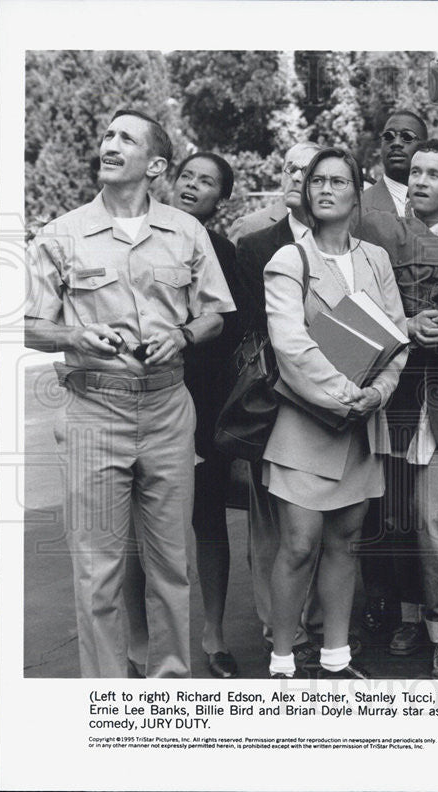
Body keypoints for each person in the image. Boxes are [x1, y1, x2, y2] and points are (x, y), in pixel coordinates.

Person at [24, 110, 235, 677]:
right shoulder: (60, 234)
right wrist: (73, 333)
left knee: (170, 567)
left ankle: (168, 693)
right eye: (108, 135)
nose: (109, 144)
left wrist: (184, 333)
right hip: (95, 410)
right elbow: (25, 324)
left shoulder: (187, 232)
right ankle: (107, 699)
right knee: (98, 572)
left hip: (169, 410)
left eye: (126, 138)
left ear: (157, 165)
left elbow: (216, 313)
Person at [263, 147, 407, 679]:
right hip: (306, 425)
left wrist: (381, 391)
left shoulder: (376, 259)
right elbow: (291, 347)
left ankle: (336, 658)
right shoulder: (289, 260)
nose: (324, 189)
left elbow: (398, 336)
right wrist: (347, 395)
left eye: (337, 181)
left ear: (355, 192)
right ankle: (282, 661)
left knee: (345, 544)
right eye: (316, 181)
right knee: (299, 547)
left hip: (364, 424)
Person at [359, 140, 438, 678]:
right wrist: (401, 327)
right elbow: (348, 320)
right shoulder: (374, 240)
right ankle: (408, 616)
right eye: (414, 172)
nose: (420, 181)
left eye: (434, 173)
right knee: (393, 520)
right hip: (391, 398)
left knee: (437, 524)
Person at [235, 140, 326, 666]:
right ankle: (278, 628)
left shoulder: (347, 242)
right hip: (275, 401)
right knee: (273, 523)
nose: (296, 175)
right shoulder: (256, 245)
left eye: (308, 170)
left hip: (335, 397)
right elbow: (250, 333)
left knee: (325, 520)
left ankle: (318, 622)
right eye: (289, 167)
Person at [169, 152, 244, 677]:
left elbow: (232, 333)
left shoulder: (221, 253)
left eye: (207, 182)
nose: (193, 186)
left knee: (208, 521)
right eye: (187, 177)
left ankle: (214, 635)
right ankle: (144, 644)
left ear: (222, 200)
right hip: (140, 401)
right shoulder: (140, 239)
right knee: (142, 530)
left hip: (202, 402)